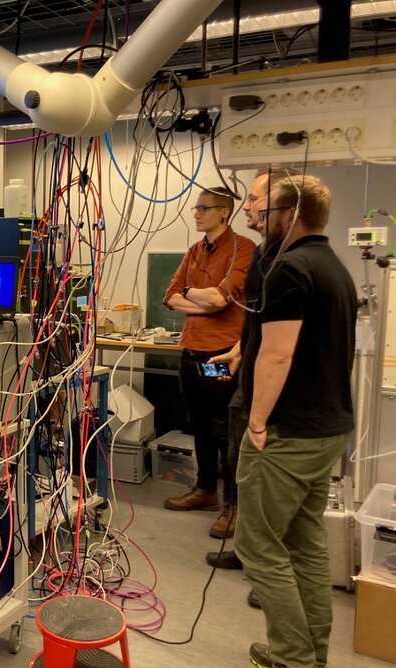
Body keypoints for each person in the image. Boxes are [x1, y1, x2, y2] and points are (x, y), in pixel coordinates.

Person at [234, 175, 356, 668]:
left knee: (257, 545)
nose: (257, 217)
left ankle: (291, 658)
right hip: (327, 429)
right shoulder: (334, 268)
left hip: (287, 433)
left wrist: (257, 422)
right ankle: (311, 655)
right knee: (304, 543)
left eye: (265, 211)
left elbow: (278, 355)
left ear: (291, 215)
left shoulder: (290, 269)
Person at [205, 168, 299, 561]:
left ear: (286, 206)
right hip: (245, 373)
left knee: (261, 475)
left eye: (256, 198)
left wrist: (258, 418)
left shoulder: (290, 262)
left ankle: (263, 563)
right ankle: (245, 545)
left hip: (271, 390)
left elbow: (281, 346)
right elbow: (256, 318)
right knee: (236, 456)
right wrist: (240, 350)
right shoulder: (264, 255)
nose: (247, 206)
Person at [161, 188, 256, 525]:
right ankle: (205, 490)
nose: (197, 213)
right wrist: (201, 302)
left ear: (224, 212)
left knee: (224, 429)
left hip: (221, 355)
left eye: (204, 208)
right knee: (199, 424)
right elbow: (170, 296)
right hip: (191, 352)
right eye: (196, 208)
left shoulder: (244, 248)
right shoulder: (194, 250)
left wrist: (195, 296)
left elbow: (220, 298)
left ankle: (232, 506)